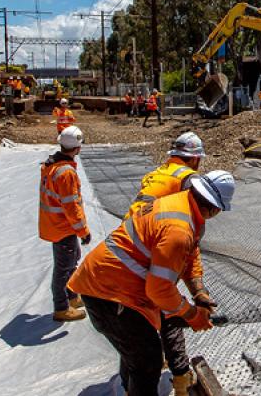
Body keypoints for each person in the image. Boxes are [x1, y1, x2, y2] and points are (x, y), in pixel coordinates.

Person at [68, 170, 235, 396]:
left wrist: (199, 293)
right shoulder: (178, 229)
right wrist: (192, 314)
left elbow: (190, 255)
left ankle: (129, 390)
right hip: (108, 292)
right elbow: (159, 290)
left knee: (137, 351)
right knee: (147, 360)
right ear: (215, 208)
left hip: (109, 284)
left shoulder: (180, 204)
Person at [119, 132, 206, 395]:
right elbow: (188, 235)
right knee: (170, 311)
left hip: (134, 242)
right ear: (195, 159)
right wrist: (196, 287)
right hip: (155, 248)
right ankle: (180, 378)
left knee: (136, 319)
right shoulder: (189, 180)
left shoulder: (160, 173)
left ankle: (131, 380)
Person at [39, 126, 91, 322]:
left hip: (55, 225)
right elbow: (71, 207)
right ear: (77, 148)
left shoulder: (52, 164)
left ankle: (71, 295)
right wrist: (83, 231)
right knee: (63, 267)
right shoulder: (66, 172)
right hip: (63, 227)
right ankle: (61, 307)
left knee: (72, 258)